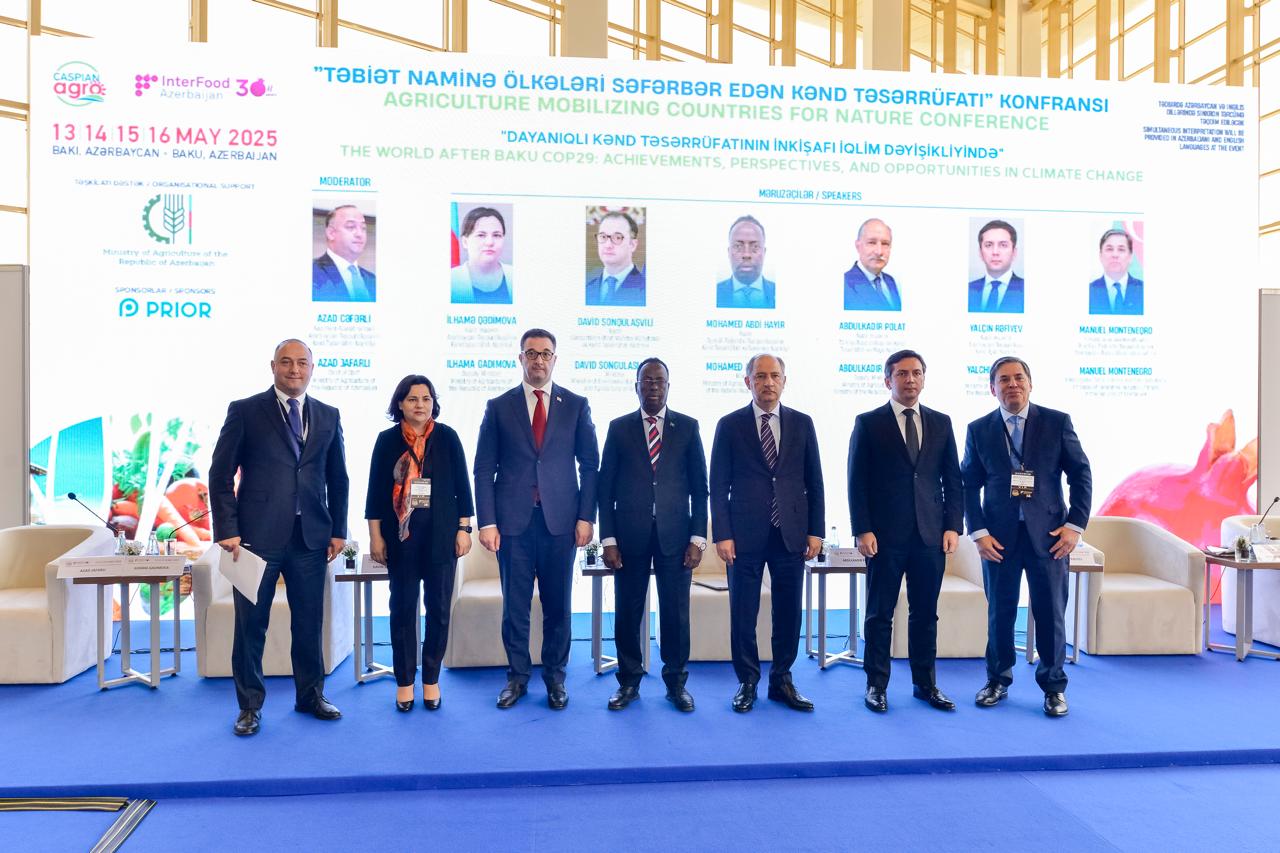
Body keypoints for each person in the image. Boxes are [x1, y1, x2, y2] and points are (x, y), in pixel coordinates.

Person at [209, 338, 350, 737]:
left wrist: (338, 529)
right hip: (257, 539)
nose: (294, 370)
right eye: (286, 362)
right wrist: (228, 529)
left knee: (308, 624)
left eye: (302, 363)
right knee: (251, 626)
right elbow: (220, 474)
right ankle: (249, 707)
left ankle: (311, 696)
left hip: (311, 540)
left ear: (312, 368)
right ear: (273, 366)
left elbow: (338, 477)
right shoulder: (245, 411)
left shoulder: (328, 414)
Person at [473, 328, 599, 709]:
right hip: (513, 526)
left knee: (558, 606)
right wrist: (487, 522)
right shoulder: (499, 407)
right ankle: (517, 677)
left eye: (545, 353)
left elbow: (590, 466)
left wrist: (586, 517)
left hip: (561, 524)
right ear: (521, 359)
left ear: (555, 359)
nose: (538, 360)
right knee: (515, 608)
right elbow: (483, 469)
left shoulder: (576, 405)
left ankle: (556, 678)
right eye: (531, 353)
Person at [961, 357, 1092, 717]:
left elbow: (1081, 474)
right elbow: (968, 485)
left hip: (1049, 537)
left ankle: (1053, 687)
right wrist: (979, 532)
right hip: (998, 539)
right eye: (1004, 380)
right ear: (993, 389)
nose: (1012, 384)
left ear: (1030, 384)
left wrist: (1075, 526)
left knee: (1051, 614)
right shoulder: (979, 429)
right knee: (999, 614)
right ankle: (997, 680)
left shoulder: (1056, 422)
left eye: (1019, 378)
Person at [848, 350, 963, 714]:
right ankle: (876, 685)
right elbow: (856, 482)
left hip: (930, 535)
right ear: (888, 380)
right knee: (879, 614)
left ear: (924, 379)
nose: (910, 379)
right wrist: (862, 529)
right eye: (901, 374)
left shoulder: (941, 422)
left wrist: (953, 526)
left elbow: (952, 479)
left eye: (916, 373)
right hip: (883, 537)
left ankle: (925, 684)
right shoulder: (869, 423)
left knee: (925, 614)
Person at [710, 354, 824, 713]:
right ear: (748, 382)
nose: (768, 382)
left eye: (775, 375)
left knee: (789, 612)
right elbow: (718, 484)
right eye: (760, 376)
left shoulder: (802, 423)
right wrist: (722, 534)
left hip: (791, 533)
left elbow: (814, 481)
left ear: (784, 381)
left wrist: (816, 531)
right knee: (743, 612)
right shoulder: (730, 425)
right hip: (743, 535)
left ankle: (782, 679)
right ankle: (747, 681)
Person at [598, 358, 708, 712]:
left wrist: (698, 538)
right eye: (647, 380)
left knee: (676, 614)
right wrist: (609, 540)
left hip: (676, 538)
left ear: (668, 386)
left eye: (660, 380)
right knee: (628, 613)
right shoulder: (619, 428)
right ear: (636, 386)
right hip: (629, 538)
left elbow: (700, 489)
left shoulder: (688, 427)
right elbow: (605, 490)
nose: (654, 386)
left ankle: (676, 684)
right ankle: (628, 683)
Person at [365, 374, 474, 712]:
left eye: (426, 399)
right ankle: (404, 683)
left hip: (442, 537)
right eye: (412, 399)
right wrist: (375, 536)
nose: (420, 405)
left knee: (438, 610)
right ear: (400, 403)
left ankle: (431, 680)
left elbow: (463, 486)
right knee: (402, 610)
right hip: (402, 539)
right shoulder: (386, 441)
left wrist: (464, 529)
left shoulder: (448, 437)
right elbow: (374, 493)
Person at [312, 205, 376, 302]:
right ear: (331, 233)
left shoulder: (373, 280)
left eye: (363, 228)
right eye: (351, 227)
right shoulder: (312, 272)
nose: (360, 234)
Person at [451, 207, 513, 305]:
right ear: (465, 242)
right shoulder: (451, 280)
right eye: (481, 235)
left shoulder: (516, 276)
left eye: (496, 235)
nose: (490, 242)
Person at [585, 211, 646, 307]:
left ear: (632, 245)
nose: (608, 245)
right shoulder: (587, 289)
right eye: (603, 237)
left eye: (617, 237)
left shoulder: (646, 290)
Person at [716, 216, 776, 309]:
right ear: (729, 252)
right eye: (738, 246)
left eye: (755, 247)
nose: (746, 254)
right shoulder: (714, 293)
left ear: (764, 252)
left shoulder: (778, 292)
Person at [967, 220, 1025, 313]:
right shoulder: (968, 289)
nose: (995, 252)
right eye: (988, 245)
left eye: (1003, 245)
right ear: (980, 253)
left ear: (1014, 252)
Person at [843, 218, 900, 311]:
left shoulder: (891, 281)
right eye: (872, 243)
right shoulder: (844, 284)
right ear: (858, 246)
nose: (879, 252)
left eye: (885, 244)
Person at [1088, 228, 1144, 315]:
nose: (1115, 255)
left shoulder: (1144, 290)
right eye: (1109, 249)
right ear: (1100, 255)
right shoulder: (1089, 291)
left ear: (1130, 257)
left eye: (1121, 249)